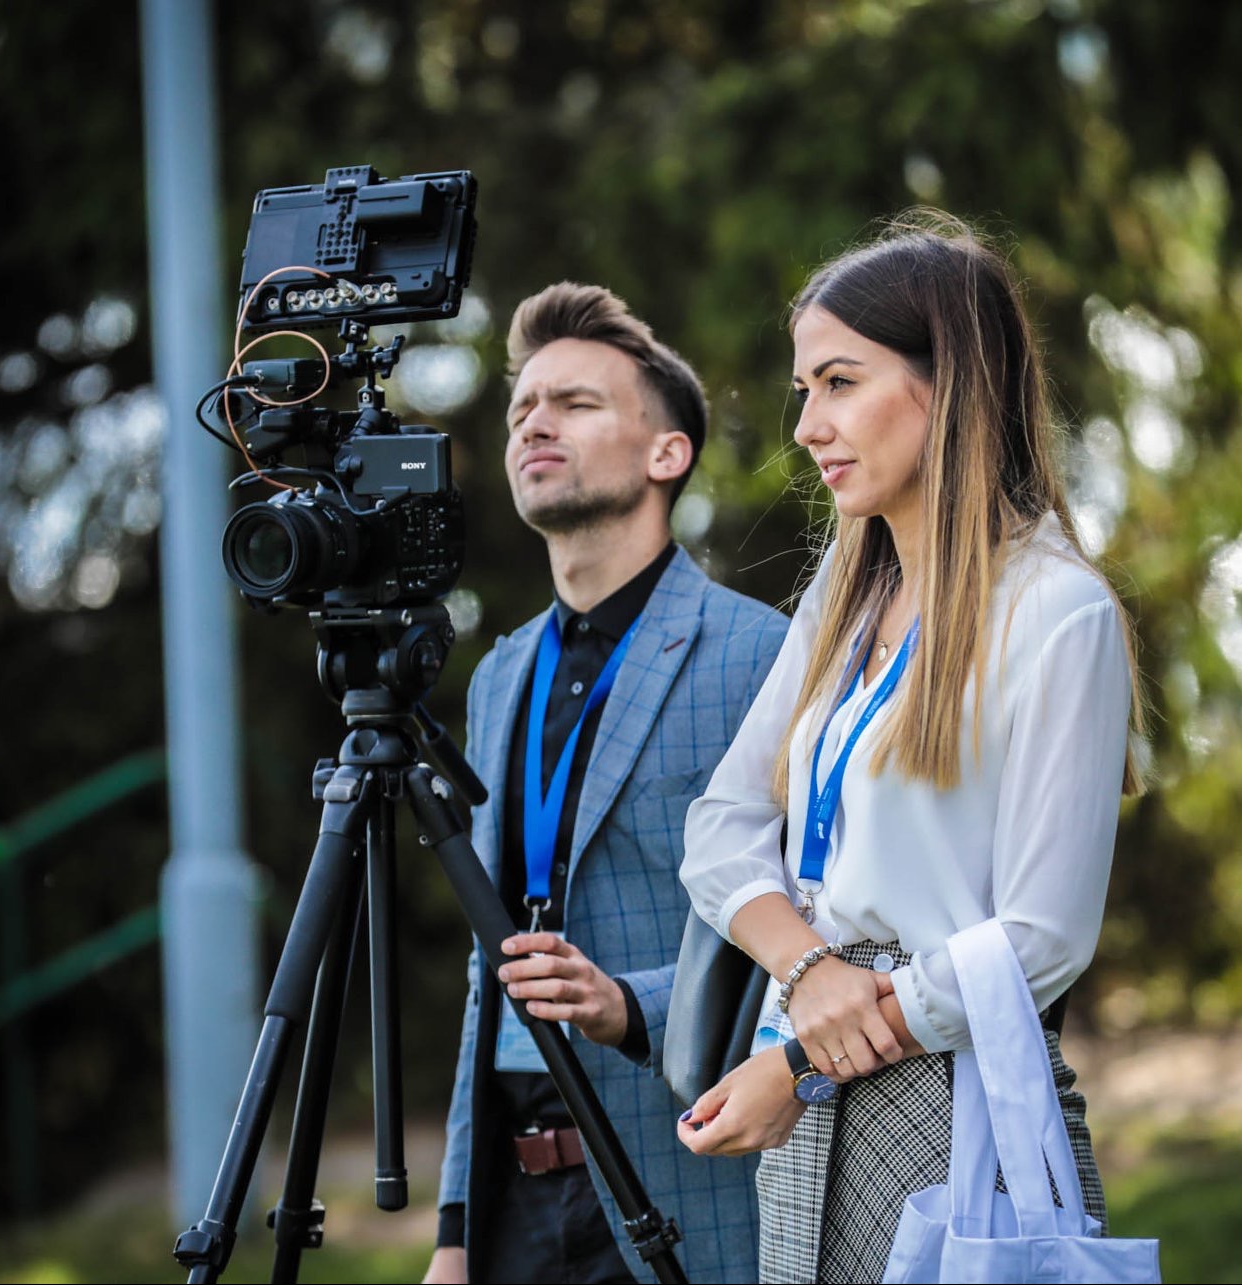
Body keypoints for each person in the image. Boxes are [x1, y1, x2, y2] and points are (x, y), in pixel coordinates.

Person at [674, 214, 1146, 1283]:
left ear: (948, 386)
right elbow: (719, 827)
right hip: (807, 1076)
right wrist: (804, 968)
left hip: (952, 1097)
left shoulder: (1055, 611)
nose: (805, 425)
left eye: (837, 381)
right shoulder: (839, 605)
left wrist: (804, 1053)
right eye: (803, 389)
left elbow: (1038, 941)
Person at [426, 283, 784, 1284]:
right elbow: (480, 966)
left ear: (665, 453)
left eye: (574, 403)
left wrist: (627, 1002)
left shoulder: (763, 653)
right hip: (514, 1206)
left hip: (686, 1179)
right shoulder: (497, 674)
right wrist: (455, 1229)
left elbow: (811, 921)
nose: (534, 421)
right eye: (520, 409)